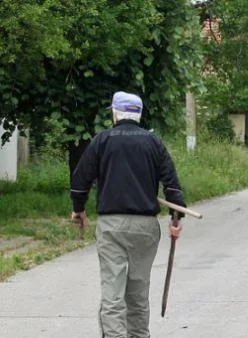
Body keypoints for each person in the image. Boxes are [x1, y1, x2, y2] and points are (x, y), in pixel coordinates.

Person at [70, 91, 186, 338]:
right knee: (138, 294)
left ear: (114, 113)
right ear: (139, 115)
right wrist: (176, 219)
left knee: (113, 294)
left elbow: (80, 180)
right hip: (145, 227)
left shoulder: (102, 140)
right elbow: (173, 185)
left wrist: (78, 209)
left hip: (111, 226)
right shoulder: (153, 143)